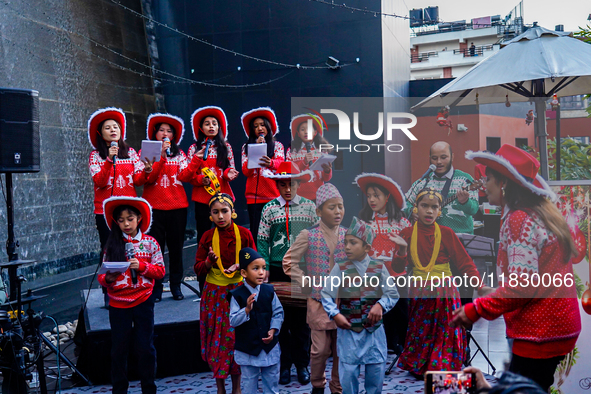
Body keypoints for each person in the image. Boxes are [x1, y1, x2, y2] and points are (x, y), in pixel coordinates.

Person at [451, 144, 581, 392]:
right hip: (560, 325)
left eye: (487, 178)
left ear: (504, 183)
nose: (484, 184)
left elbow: (523, 286)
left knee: (522, 388)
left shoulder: (519, 218)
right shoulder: (541, 212)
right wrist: (498, 291)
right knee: (528, 386)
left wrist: (476, 308)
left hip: (539, 332)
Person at [389, 187, 486, 377]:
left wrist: (479, 285)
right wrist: (401, 251)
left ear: (440, 211)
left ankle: (442, 365)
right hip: (420, 291)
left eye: (434, 207)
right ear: (416, 208)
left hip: (444, 292)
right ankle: (421, 365)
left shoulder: (447, 233)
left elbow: (465, 262)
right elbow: (399, 268)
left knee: (445, 331)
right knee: (422, 329)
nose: (429, 211)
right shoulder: (407, 233)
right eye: (424, 206)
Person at [321, 216, 399, 394]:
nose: (347, 247)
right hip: (349, 331)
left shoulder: (379, 267)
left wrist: (381, 305)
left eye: (353, 243)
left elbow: (392, 293)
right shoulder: (340, 267)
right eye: (346, 242)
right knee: (348, 375)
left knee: (375, 375)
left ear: (367, 247)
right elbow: (326, 293)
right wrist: (335, 314)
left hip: (374, 334)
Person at [283, 182, 346, 394]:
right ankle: (317, 385)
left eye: (340, 206)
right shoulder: (308, 235)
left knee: (340, 351)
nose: (338, 211)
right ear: (318, 211)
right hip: (318, 302)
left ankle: (337, 387)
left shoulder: (349, 235)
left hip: (343, 302)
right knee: (319, 350)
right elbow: (288, 262)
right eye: (332, 207)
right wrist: (305, 281)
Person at [257, 161, 317, 385]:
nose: (288, 189)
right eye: (283, 185)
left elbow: (318, 237)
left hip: (303, 269)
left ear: (299, 183)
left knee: (302, 323)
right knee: (279, 322)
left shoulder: (310, 208)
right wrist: (263, 270)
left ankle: (302, 366)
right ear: (277, 185)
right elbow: (262, 241)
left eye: (291, 184)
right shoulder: (269, 208)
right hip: (276, 270)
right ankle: (284, 366)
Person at [98, 196, 165, 394]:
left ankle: (148, 388)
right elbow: (102, 278)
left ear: (139, 219)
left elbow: (160, 271)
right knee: (119, 350)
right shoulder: (111, 245)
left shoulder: (151, 243)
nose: (126, 224)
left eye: (130, 218)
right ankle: (119, 390)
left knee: (145, 348)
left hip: (143, 300)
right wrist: (109, 278)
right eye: (120, 220)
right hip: (118, 304)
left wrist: (142, 266)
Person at [194, 193, 255, 394]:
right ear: (210, 215)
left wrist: (241, 265)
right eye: (216, 212)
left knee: (235, 339)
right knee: (217, 341)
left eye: (224, 211)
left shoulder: (244, 234)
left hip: (237, 293)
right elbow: (198, 268)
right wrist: (209, 263)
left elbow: (256, 264)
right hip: (214, 294)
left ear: (233, 213)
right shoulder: (207, 237)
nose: (220, 216)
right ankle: (220, 388)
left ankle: (237, 388)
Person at [138, 113, 199, 302]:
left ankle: (176, 286)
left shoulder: (180, 155)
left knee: (176, 249)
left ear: (174, 136)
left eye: (169, 131)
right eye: (161, 130)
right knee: (155, 250)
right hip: (154, 208)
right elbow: (147, 179)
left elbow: (185, 176)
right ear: (155, 133)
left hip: (177, 207)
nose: (165, 134)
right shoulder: (147, 153)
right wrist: (161, 157)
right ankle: (156, 288)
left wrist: (196, 160)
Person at [88, 107, 146, 307]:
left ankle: (133, 284)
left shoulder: (130, 152)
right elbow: (100, 181)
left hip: (128, 210)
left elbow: (138, 179)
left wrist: (147, 170)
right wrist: (108, 160)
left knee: (132, 247)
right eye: (108, 127)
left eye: (116, 127)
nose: (113, 130)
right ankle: (109, 290)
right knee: (110, 249)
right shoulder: (96, 156)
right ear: (100, 133)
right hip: (104, 212)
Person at [355, 173, 411, 354]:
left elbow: (408, 257)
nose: (371, 199)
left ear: (387, 197)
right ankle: (379, 350)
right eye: (369, 196)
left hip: (397, 278)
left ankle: (403, 349)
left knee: (402, 316)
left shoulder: (403, 223)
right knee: (377, 317)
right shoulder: (362, 222)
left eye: (376, 195)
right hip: (372, 279)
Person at [229, 247, 284, 394]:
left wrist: (273, 330)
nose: (261, 272)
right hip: (247, 349)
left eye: (263, 268)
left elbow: (278, 313)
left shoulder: (269, 291)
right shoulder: (237, 295)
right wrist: (246, 309)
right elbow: (233, 321)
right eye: (256, 268)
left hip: (269, 348)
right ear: (244, 273)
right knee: (248, 386)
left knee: (271, 384)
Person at [187, 106, 239, 243]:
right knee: (204, 234)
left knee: (226, 233)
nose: (211, 126)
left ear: (219, 127)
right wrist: (200, 180)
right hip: (202, 198)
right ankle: (204, 262)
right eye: (207, 123)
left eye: (214, 124)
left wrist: (229, 174)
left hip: (223, 196)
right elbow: (188, 174)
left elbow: (229, 168)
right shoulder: (194, 148)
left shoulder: (226, 147)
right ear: (200, 128)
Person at [405, 141, 479, 235]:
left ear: (452, 157)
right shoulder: (423, 182)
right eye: (434, 158)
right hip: (429, 239)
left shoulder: (465, 180)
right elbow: (404, 204)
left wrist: (465, 202)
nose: (439, 162)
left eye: (443, 157)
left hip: (459, 239)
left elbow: (474, 209)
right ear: (430, 159)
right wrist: (411, 211)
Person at [240, 107, 284, 239]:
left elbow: (281, 165)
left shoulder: (277, 146)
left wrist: (270, 163)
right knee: (256, 232)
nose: (259, 128)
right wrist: (256, 149)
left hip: (273, 195)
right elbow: (245, 171)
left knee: (274, 233)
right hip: (254, 197)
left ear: (268, 127)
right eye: (256, 126)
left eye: (263, 125)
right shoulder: (246, 147)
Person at [286, 114, 333, 201]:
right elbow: (289, 173)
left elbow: (326, 178)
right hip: (298, 196)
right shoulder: (292, 151)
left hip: (318, 196)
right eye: (303, 129)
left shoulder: (322, 150)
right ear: (298, 134)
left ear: (315, 133)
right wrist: (304, 162)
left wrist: (327, 171)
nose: (306, 132)